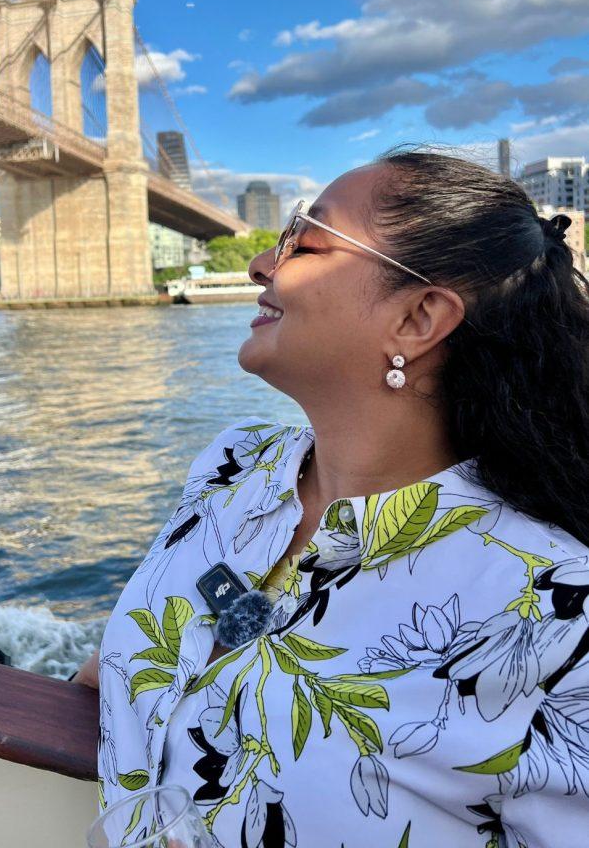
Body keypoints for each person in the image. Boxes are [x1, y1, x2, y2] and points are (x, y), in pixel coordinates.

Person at [75, 149, 589, 848]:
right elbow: (166, 646)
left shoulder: (558, 609)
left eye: (304, 242)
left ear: (418, 318)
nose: (261, 263)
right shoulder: (231, 468)